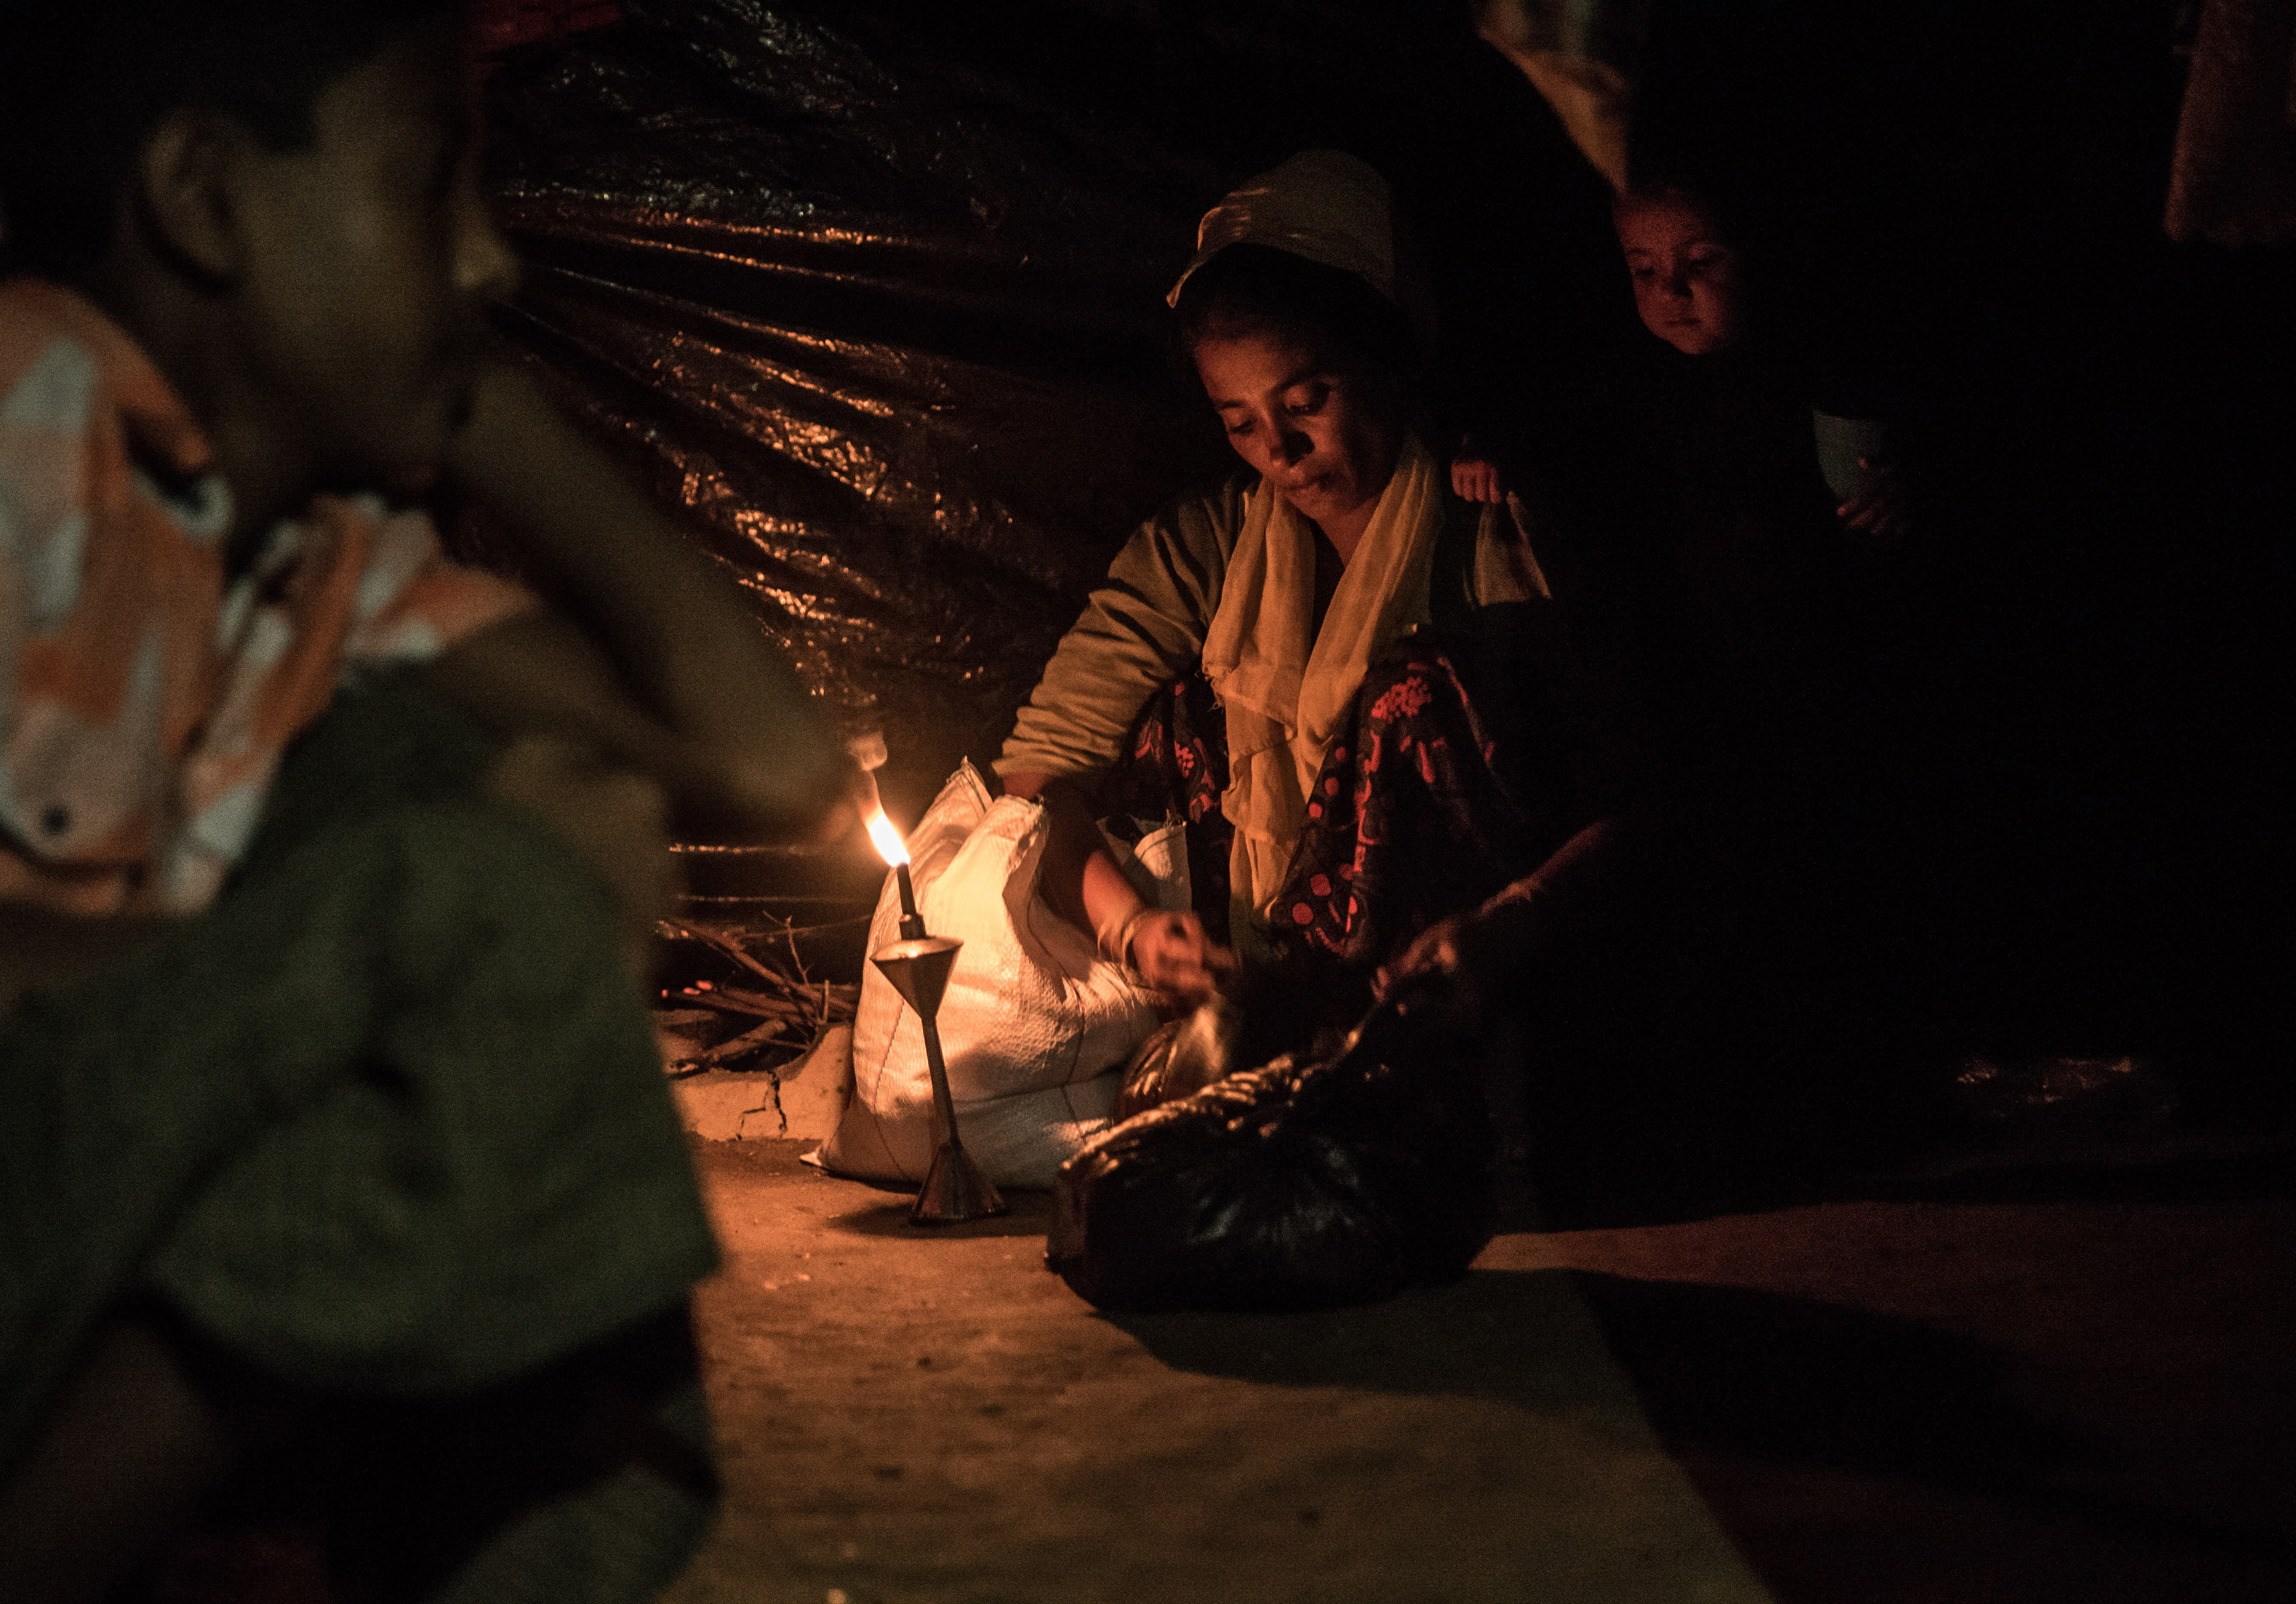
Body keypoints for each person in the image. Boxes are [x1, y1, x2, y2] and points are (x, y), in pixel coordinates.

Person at [0, 5, 850, 1600]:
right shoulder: (27, 409)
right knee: (469, 897)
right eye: (427, 189)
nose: (491, 263)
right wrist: (330, 975)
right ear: (202, 197)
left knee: (528, 808)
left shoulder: (329, 566)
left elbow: (770, 768)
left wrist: (485, 405)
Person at [998, 150, 1576, 1011]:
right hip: (1247, 981)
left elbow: (1638, 795)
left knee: (1412, 696)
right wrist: (1130, 929)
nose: (1279, 452)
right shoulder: (1205, 547)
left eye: (1306, 404)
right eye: (1240, 422)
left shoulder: (1494, 525)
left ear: (1384, 360)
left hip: (1462, 986)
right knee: (1178, 716)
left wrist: (1519, 921)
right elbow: (1037, 777)